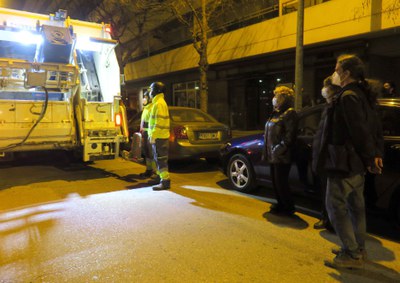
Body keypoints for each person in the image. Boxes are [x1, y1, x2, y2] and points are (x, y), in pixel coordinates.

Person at [313, 54, 383, 269]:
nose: (334, 73)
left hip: (344, 164)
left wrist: (371, 155)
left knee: (335, 207)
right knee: (355, 208)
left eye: (337, 69)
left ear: (346, 73)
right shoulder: (362, 94)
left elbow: (360, 131)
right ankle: (357, 249)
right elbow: (373, 127)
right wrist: (372, 156)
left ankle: (351, 253)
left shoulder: (348, 96)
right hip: (356, 164)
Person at [312, 76, 341, 231]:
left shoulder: (337, 107)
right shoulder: (328, 107)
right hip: (326, 156)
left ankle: (331, 221)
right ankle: (327, 218)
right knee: (325, 191)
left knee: (332, 194)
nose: (324, 90)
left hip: (332, 157)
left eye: (327, 87)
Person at [264, 86, 298, 215]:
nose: (274, 98)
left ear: (284, 98)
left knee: (281, 182)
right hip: (273, 154)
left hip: (282, 155)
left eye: (277, 96)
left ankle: (288, 207)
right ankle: (280, 204)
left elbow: (290, 136)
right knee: (275, 182)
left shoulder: (289, 113)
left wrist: (278, 149)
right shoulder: (276, 112)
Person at [148, 82, 171, 191]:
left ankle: (165, 181)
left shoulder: (159, 104)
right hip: (159, 137)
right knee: (158, 159)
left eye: (151, 89)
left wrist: (153, 135)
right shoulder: (158, 102)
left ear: (156, 90)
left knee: (161, 159)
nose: (150, 92)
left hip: (159, 137)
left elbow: (159, 122)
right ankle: (159, 177)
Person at [139, 91, 158, 181]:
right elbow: (143, 120)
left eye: (145, 97)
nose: (144, 99)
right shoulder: (146, 108)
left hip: (150, 133)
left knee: (152, 153)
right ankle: (148, 170)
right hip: (145, 133)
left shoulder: (152, 107)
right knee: (147, 153)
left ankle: (154, 172)